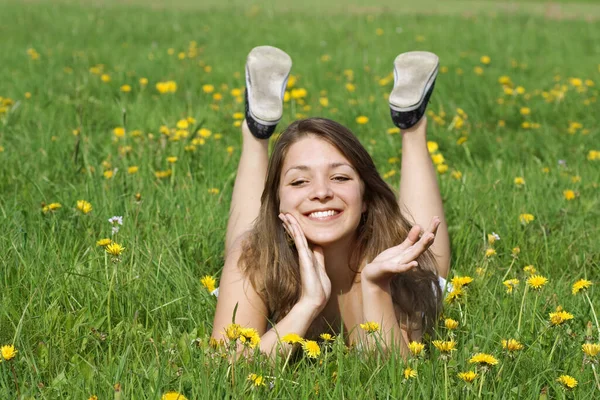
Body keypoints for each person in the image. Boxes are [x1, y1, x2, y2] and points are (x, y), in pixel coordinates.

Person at [211, 46, 450, 357]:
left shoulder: (393, 258)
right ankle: (257, 131)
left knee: (431, 261)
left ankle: (412, 124)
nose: (321, 192)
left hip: (390, 260)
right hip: (266, 240)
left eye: (340, 178)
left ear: (365, 198)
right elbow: (226, 366)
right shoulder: (253, 257)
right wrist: (308, 304)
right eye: (299, 181)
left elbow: (400, 374)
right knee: (247, 242)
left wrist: (377, 287)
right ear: (277, 203)